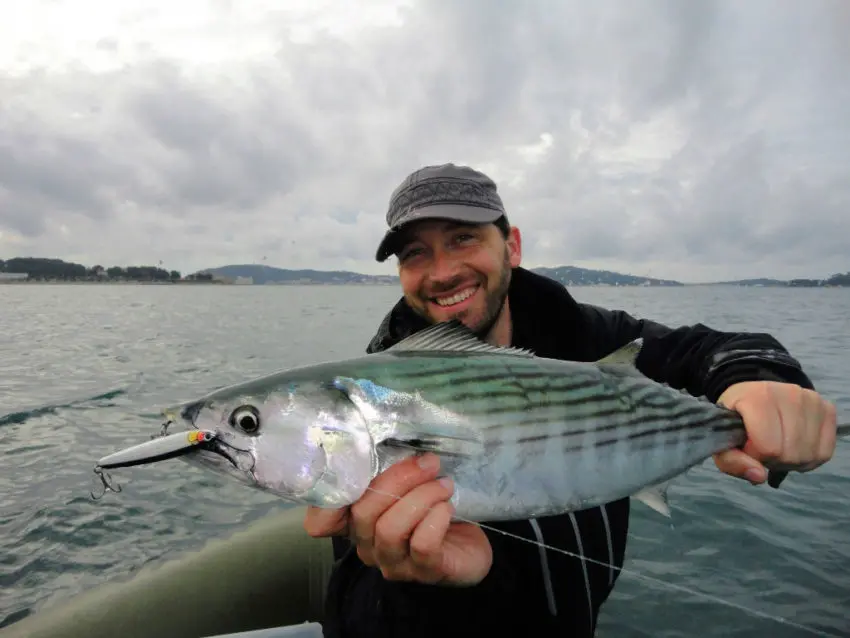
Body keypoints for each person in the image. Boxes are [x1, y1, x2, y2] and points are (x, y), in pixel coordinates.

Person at [304, 163, 837, 637]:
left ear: (510, 246)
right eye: (414, 252)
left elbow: (714, 350)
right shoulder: (365, 405)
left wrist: (757, 381)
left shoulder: (585, 337)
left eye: (463, 238)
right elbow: (354, 615)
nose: (441, 272)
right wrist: (428, 586)